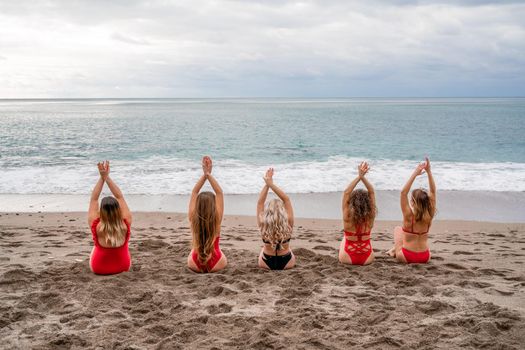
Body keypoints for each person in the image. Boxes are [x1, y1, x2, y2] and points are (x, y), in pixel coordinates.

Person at [388, 157, 436, 264]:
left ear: (413, 202)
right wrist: (429, 172)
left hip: (407, 256)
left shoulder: (409, 216)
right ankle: (393, 250)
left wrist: (415, 173)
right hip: (425, 257)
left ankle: (394, 251)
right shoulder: (430, 214)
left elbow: (403, 193)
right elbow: (433, 191)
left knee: (398, 229)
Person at [88, 161, 132, 275]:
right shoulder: (125, 223)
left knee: (95, 247)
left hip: (99, 268)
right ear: (118, 210)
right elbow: (119, 196)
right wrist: (107, 177)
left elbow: (94, 199)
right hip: (123, 266)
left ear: (101, 212)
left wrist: (102, 178)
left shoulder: (96, 225)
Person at [187, 156, 227, 273]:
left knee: (192, 251)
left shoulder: (193, 217)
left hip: (195, 262)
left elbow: (194, 192)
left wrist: (204, 175)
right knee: (219, 252)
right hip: (216, 262)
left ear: (197, 205)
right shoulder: (217, 218)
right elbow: (219, 192)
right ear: (214, 206)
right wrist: (209, 174)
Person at [256, 168, 295, 270]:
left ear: (268, 212)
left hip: (265, 262)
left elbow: (260, 202)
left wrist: (267, 183)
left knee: (263, 249)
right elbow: (286, 199)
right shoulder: (288, 222)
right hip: (287, 262)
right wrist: (271, 184)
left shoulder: (263, 222)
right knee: (288, 248)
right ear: (283, 211)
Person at [339, 161, 377, 265]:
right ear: (368, 203)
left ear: (352, 202)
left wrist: (359, 176)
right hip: (367, 258)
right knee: (366, 241)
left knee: (344, 238)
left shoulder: (347, 216)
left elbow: (346, 192)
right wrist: (363, 177)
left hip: (347, 257)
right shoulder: (371, 216)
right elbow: (372, 191)